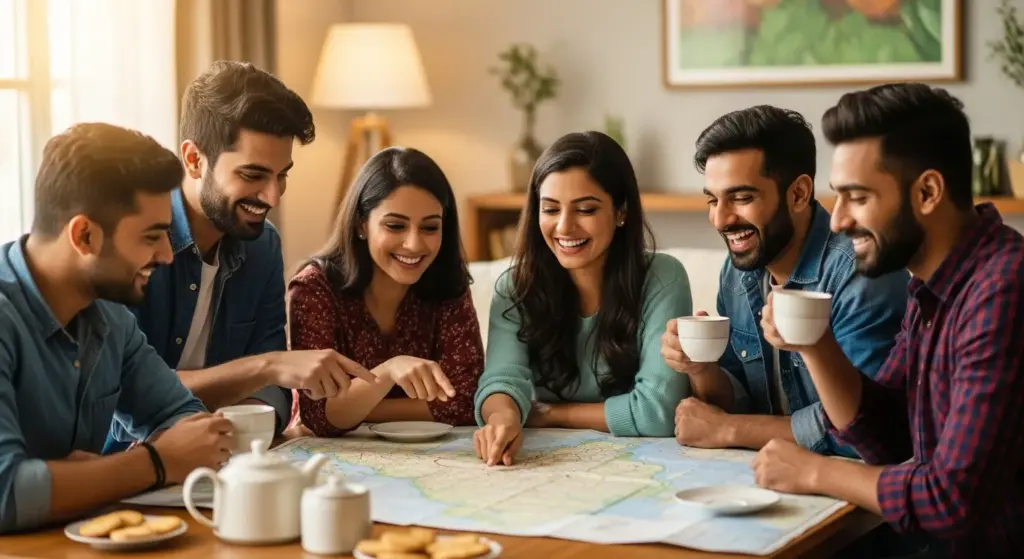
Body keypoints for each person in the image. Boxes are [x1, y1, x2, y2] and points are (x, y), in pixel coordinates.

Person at [752, 83, 1024, 557]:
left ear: (928, 192)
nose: (837, 221)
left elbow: (950, 499)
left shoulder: (1005, 287)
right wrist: (815, 344)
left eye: (857, 197)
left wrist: (815, 472)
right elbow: (890, 441)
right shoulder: (930, 287)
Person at [103, 61, 372, 453]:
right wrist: (267, 366)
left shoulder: (262, 247)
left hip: (225, 460)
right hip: (125, 471)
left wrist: (236, 428)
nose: (273, 197)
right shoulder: (133, 245)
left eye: (282, 175)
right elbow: (122, 396)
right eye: (252, 175)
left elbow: (276, 392)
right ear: (194, 160)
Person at [0, 123, 234, 533]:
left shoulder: (111, 317)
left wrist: (84, 478)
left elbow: (187, 422)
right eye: (151, 237)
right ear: (84, 235)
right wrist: (152, 462)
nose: (166, 255)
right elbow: (6, 495)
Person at [660, 105, 908, 456]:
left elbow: (867, 430)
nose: (720, 219)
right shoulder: (738, 271)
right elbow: (737, 398)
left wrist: (731, 429)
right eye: (713, 200)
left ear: (798, 194)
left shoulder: (863, 273)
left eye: (742, 198)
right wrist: (701, 368)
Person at [473, 131, 693, 466]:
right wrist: (503, 418)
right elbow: (502, 379)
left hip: (645, 465)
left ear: (621, 212)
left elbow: (658, 412)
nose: (564, 227)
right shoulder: (516, 287)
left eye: (585, 209)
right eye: (550, 209)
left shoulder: (663, 278)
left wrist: (552, 415)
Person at [288, 147, 484, 435]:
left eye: (430, 228)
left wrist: (354, 408)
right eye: (395, 226)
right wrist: (390, 371)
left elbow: (468, 402)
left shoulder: (448, 285)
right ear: (361, 225)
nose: (415, 244)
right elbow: (317, 415)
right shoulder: (314, 290)